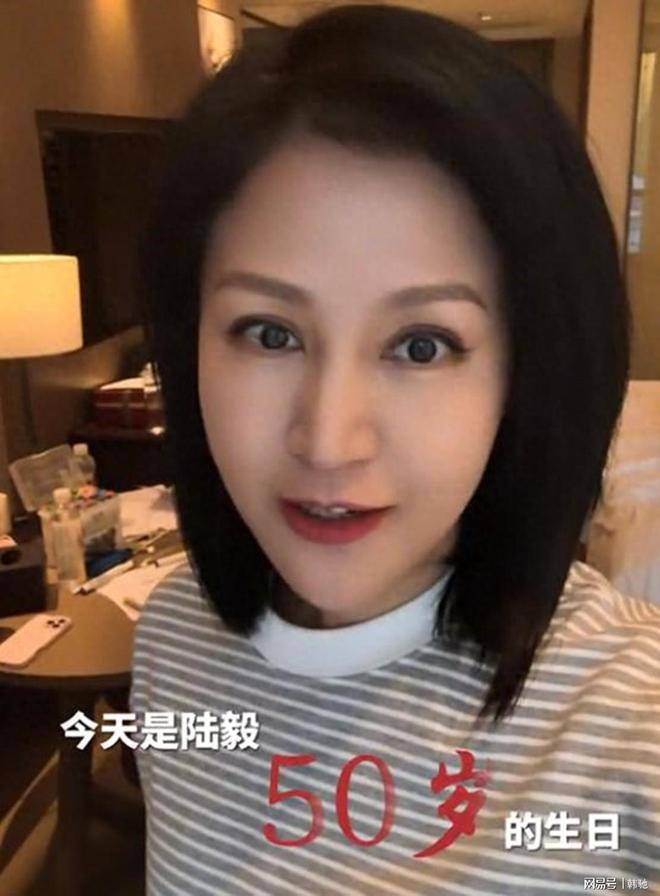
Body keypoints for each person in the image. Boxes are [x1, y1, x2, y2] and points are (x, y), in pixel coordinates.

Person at [129, 5, 660, 893]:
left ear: (524, 371)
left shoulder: (629, 715)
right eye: (268, 332)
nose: (329, 440)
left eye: (421, 345)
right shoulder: (174, 640)